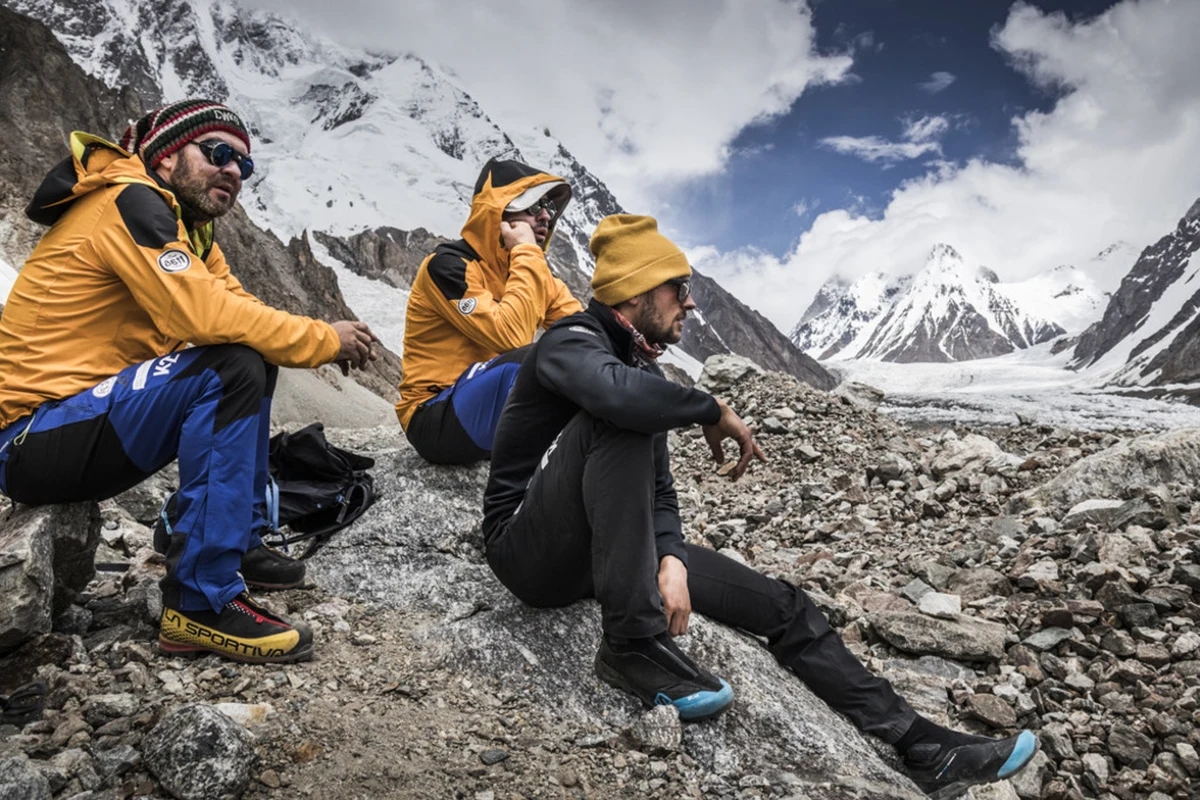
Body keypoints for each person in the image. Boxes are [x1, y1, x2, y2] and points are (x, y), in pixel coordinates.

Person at [482, 214, 1039, 798]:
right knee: (622, 412)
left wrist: (669, 557)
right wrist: (710, 408)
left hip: (606, 550)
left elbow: (660, 491)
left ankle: (922, 745)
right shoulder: (570, 342)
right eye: (679, 289)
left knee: (783, 606)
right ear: (640, 290)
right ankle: (630, 644)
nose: (690, 305)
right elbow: (615, 399)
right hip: (529, 550)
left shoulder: (640, 368)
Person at [0, 99, 378, 664]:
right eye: (219, 153)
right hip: (29, 437)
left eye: (244, 167)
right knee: (231, 366)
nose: (232, 171)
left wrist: (309, 335)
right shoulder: (130, 201)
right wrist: (325, 338)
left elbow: (240, 311)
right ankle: (199, 605)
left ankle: (237, 540)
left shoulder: (192, 236)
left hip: (82, 424)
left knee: (249, 353)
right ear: (167, 155)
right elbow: (202, 317)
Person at [396, 157, 582, 465]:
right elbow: (511, 337)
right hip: (434, 416)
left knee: (584, 358)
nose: (546, 217)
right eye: (534, 206)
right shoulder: (448, 266)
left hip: (490, 413)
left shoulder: (531, 272)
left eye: (549, 208)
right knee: (537, 359)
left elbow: (582, 331)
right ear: (499, 213)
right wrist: (526, 252)